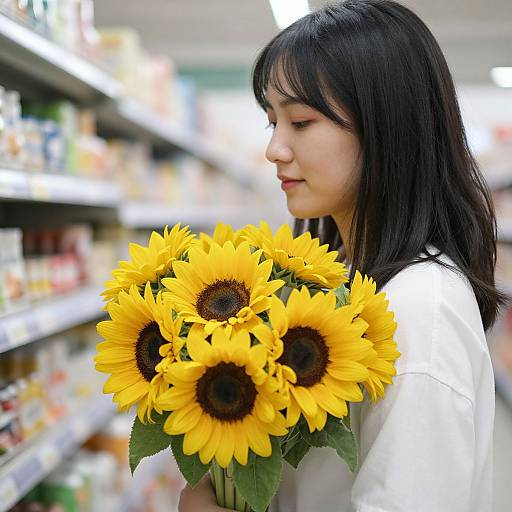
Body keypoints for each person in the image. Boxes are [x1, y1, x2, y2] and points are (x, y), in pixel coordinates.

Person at [178, 1, 508, 510]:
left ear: (387, 127)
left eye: (302, 122)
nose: (274, 149)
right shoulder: (353, 283)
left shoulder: (420, 310)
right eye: (272, 122)